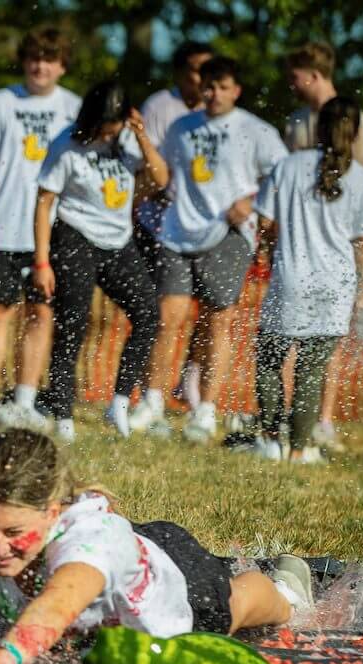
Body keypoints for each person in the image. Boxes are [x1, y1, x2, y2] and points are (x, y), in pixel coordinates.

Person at [0, 429, 312, 664]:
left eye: (14, 533)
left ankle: (289, 587)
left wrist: (4, 660)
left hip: (180, 583)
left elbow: (58, 603)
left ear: (53, 511)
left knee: (236, 604)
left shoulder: (88, 546)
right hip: (108, 590)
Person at [128, 56, 287, 445]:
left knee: (218, 321)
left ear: (237, 90)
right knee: (168, 318)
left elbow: (283, 175)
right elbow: (162, 175)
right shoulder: (182, 127)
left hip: (230, 235)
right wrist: (144, 144)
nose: (213, 93)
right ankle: (152, 403)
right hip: (177, 232)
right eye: (208, 86)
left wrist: (252, 202)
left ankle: (206, 411)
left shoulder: (256, 130)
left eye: (222, 86)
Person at [0, 27, 81, 429]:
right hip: (5, 227)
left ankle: (26, 401)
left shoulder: (75, 108)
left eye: (49, 58)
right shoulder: (0, 102)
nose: (40, 65)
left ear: (62, 65)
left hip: (53, 232)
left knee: (41, 315)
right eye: (33, 57)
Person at [33, 81, 167, 442]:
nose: (109, 131)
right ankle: (62, 416)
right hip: (74, 235)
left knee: (149, 314)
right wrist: (42, 262)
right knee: (73, 323)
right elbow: (45, 201)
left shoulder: (128, 140)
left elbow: (160, 179)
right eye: (105, 125)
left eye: (116, 124)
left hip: (118, 241)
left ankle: (119, 404)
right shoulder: (67, 144)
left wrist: (140, 135)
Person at [250, 97, 363, 464]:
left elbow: (265, 224)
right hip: (335, 285)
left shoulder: (288, 166)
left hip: (291, 277)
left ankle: (272, 441)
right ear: (354, 133)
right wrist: (362, 289)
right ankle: (301, 450)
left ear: (318, 127)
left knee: (270, 360)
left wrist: (271, 247)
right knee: (311, 369)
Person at [281, 43, 363, 452]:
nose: (290, 82)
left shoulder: (356, 121)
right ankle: (288, 418)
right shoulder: (298, 120)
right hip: (297, 247)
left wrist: (361, 275)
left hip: (335, 249)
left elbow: (360, 197)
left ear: (314, 74)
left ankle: (323, 419)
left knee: (326, 341)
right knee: (288, 338)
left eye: (295, 74)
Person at [135, 41, 214, 418]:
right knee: (165, 314)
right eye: (198, 70)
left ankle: (190, 380)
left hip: (207, 230)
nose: (204, 79)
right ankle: (148, 392)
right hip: (160, 227)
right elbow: (147, 169)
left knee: (211, 312)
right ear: (183, 72)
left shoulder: (220, 112)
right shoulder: (160, 107)